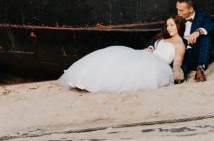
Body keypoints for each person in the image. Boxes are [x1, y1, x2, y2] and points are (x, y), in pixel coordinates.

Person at [58, 17, 186, 93]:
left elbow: (177, 63)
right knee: (115, 56)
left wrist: (175, 74)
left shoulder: (179, 44)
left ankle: (98, 84)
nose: (168, 28)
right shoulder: (165, 38)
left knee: (128, 73)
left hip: (158, 64)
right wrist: (151, 48)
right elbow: (155, 46)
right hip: (147, 55)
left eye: (172, 25)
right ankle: (85, 79)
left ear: (178, 26)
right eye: (167, 25)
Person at [175, 0, 214, 82]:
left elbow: (211, 25)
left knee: (205, 35)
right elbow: (163, 34)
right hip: (183, 54)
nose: (178, 13)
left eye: (181, 10)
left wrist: (198, 32)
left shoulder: (200, 16)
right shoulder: (176, 18)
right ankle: (180, 75)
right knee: (183, 65)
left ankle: (200, 70)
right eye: (177, 9)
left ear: (191, 9)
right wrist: (151, 46)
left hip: (198, 54)